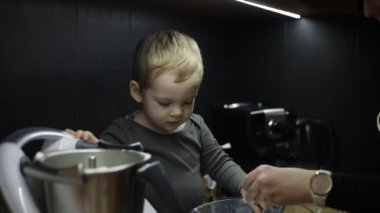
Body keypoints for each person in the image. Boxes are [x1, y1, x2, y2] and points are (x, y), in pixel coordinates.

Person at [66, 29, 246, 213]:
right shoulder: (121, 135)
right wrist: (89, 147)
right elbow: (101, 177)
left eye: (187, 101)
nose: (177, 112)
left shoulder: (196, 126)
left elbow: (220, 164)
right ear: (137, 91)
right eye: (165, 103)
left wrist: (247, 186)